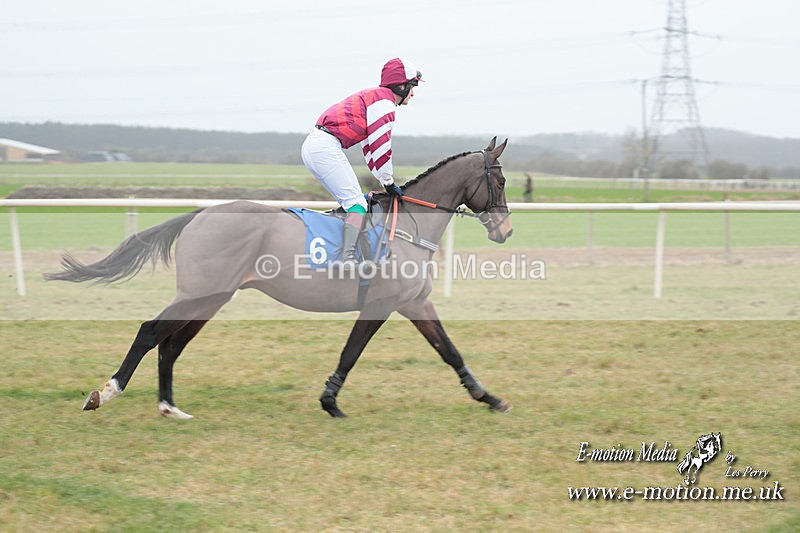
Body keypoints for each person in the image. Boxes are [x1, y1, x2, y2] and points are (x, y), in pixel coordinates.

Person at [301, 57, 423, 267]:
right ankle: (346, 258)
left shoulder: (376, 98)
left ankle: (343, 249)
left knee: (351, 204)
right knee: (356, 204)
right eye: (412, 87)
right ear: (401, 86)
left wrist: (383, 179)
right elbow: (381, 145)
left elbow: (369, 147)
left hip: (317, 145)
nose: (413, 93)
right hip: (325, 147)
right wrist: (388, 181)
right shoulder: (384, 103)